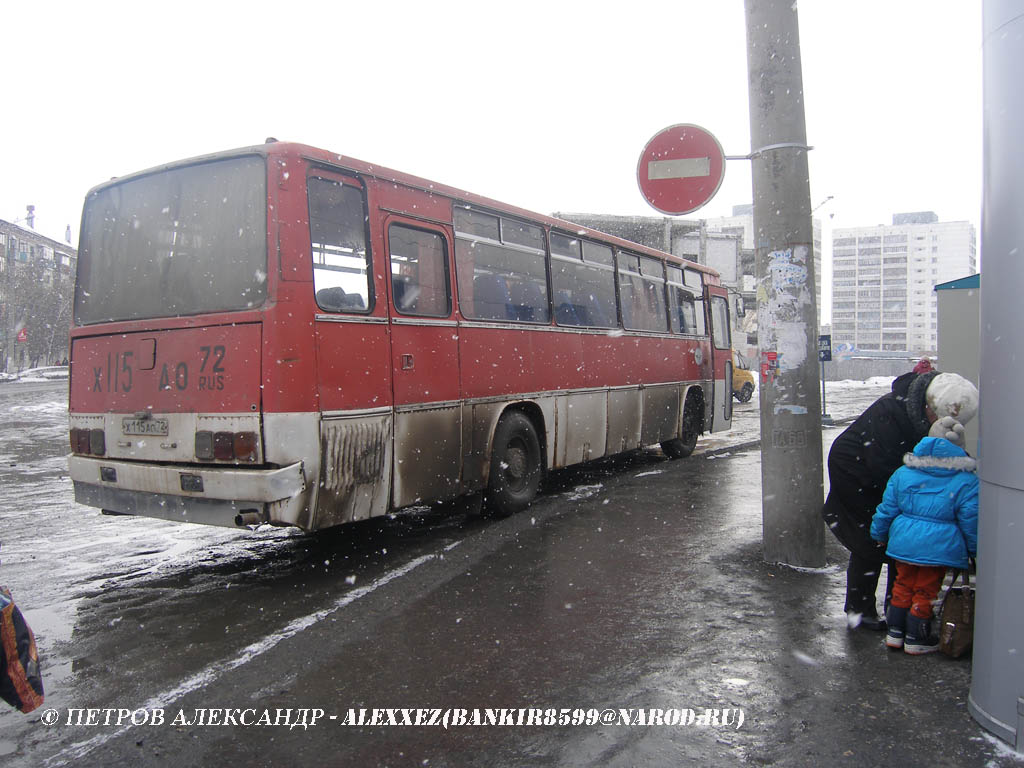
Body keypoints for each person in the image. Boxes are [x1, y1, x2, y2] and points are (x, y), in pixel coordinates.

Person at [821, 370, 978, 630]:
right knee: (872, 540)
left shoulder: (925, 406)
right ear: (929, 405)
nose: (942, 425)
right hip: (855, 472)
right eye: (938, 418)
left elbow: (938, 452)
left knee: (902, 536)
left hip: (886, 471)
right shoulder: (891, 415)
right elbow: (893, 474)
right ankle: (861, 613)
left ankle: (898, 610)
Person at [870, 428, 978, 654]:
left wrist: (879, 534)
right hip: (938, 546)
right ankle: (916, 637)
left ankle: (895, 633)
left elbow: (887, 509)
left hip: (903, 542)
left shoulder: (903, 472)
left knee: (902, 584)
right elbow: (970, 519)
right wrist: (973, 548)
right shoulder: (966, 480)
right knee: (925, 590)